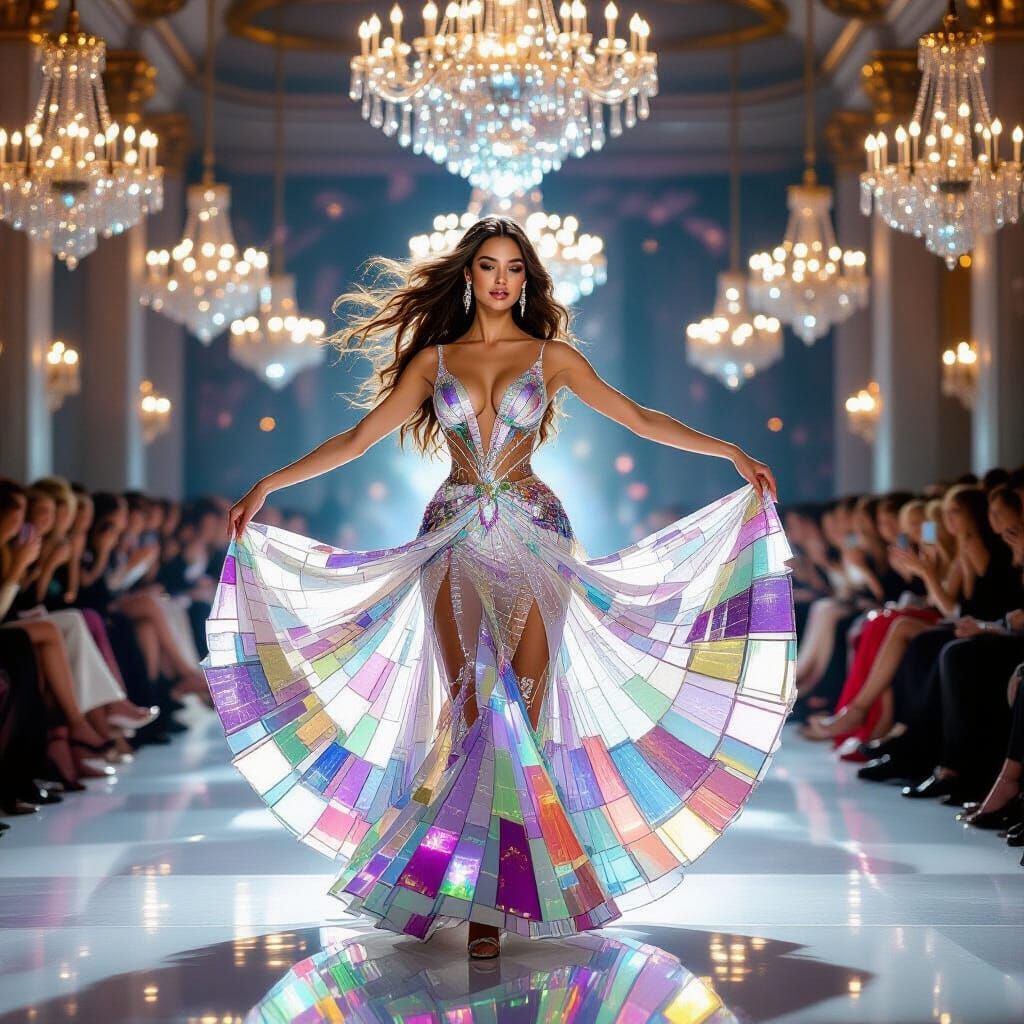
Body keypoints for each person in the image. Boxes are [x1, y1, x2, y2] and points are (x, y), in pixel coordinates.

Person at [205, 217, 796, 961]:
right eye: (488, 266)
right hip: (452, 534)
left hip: (535, 532)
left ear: (527, 280)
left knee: (526, 708)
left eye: (514, 268)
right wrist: (269, 483)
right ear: (468, 275)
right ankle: (473, 892)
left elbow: (639, 418)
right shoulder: (434, 358)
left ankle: (510, 888)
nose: (501, 279)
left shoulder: (552, 357)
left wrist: (730, 451)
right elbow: (357, 440)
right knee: (470, 709)